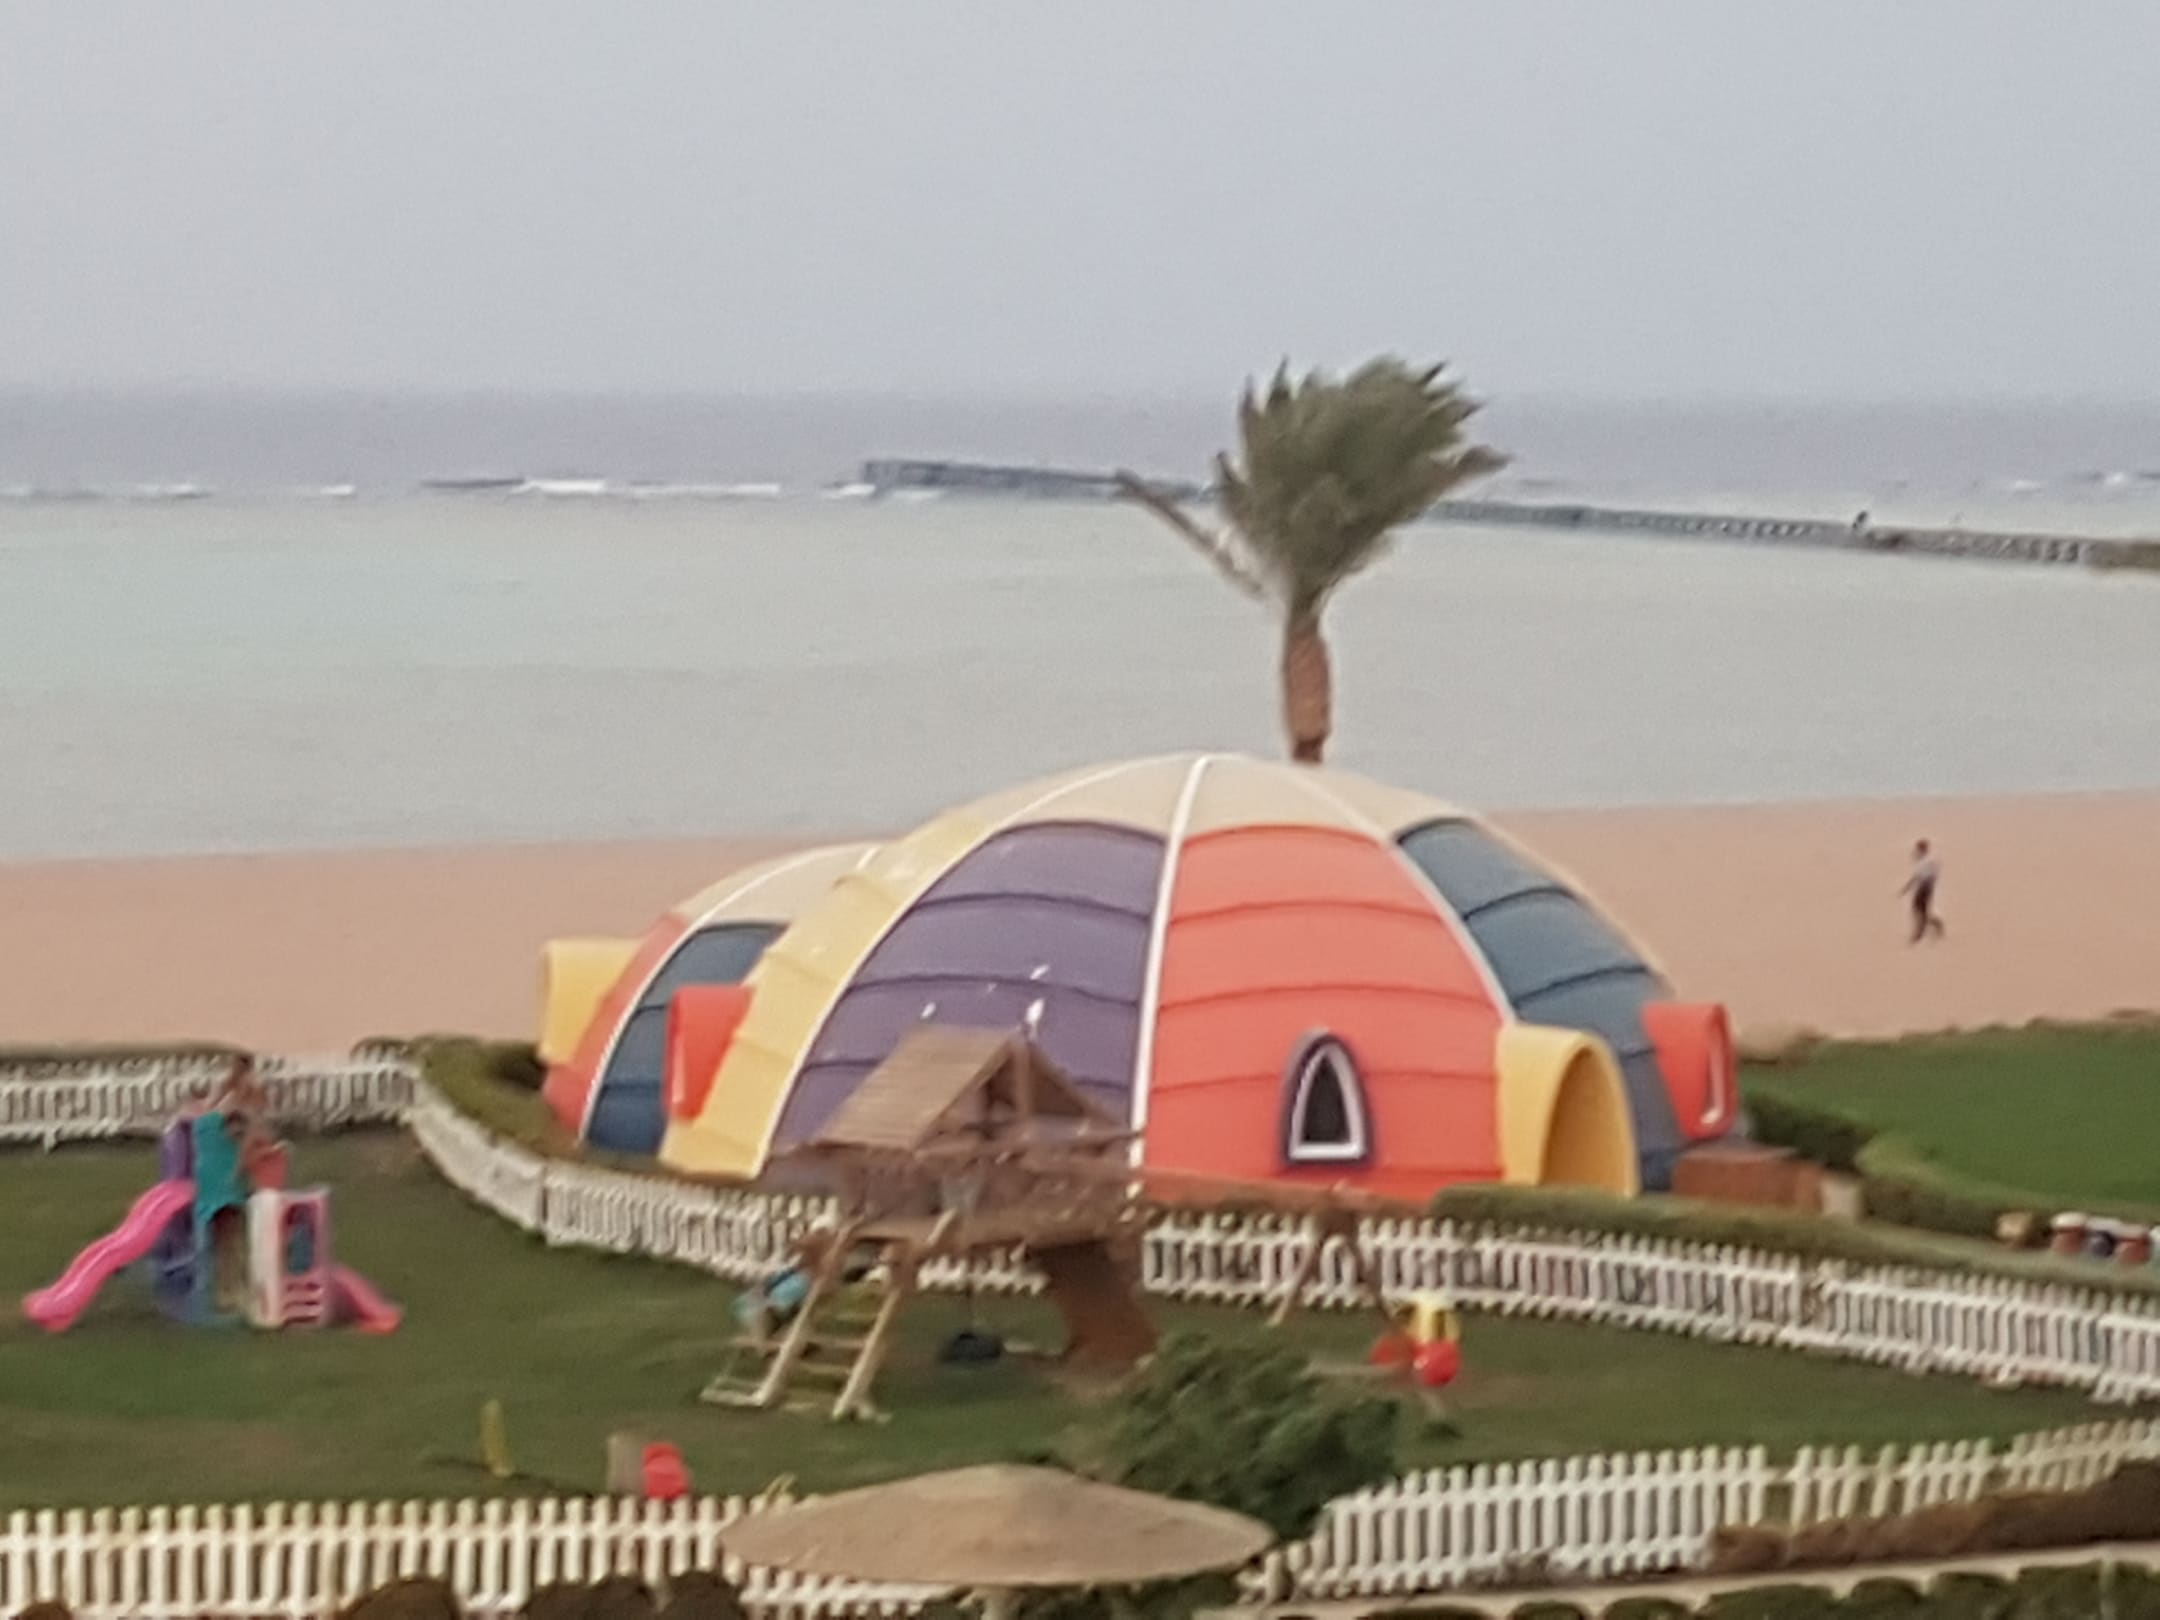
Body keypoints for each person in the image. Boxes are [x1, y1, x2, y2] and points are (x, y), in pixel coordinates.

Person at [1901, 839, 1946, 944]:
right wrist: (1907, 888)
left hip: (1926, 887)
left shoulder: (1930, 860)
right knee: (1918, 908)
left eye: (1919, 848)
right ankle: (1933, 926)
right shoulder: (1920, 860)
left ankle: (1921, 932)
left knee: (1920, 908)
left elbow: (1933, 875)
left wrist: (1928, 886)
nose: (1917, 850)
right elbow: (1916, 876)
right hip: (1921, 886)